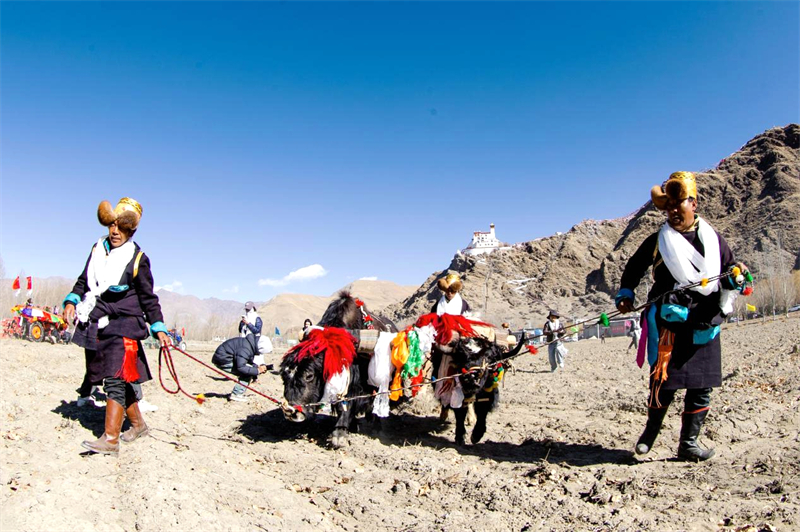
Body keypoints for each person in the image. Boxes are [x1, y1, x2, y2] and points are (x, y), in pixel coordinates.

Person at [615, 171, 748, 462]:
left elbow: (729, 271)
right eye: (668, 207)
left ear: (694, 204)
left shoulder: (714, 240)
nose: (673, 211)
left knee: (701, 386)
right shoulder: (657, 241)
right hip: (669, 324)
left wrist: (737, 276)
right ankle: (650, 434)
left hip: (704, 321)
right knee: (663, 382)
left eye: (679, 205)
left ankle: (688, 443)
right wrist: (626, 293)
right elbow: (634, 269)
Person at [63, 197, 170, 456]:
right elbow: (83, 281)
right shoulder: (97, 249)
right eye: (112, 226)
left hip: (126, 323)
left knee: (115, 377)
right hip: (98, 321)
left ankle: (110, 439)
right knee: (117, 379)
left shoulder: (138, 259)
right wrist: (71, 300)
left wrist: (159, 327)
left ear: (132, 231)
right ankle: (138, 424)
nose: (115, 232)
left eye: (122, 228)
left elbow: (148, 298)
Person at [212, 335, 273, 402]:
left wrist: (256, 367)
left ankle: (238, 393)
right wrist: (257, 370)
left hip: (225, 358)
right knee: (247, 373)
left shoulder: (249, 344)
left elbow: (246, 360)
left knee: (250, 370)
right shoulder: (245, 349)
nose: (259, 354)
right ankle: (236, 394)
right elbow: (241, 367)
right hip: (222, 360)